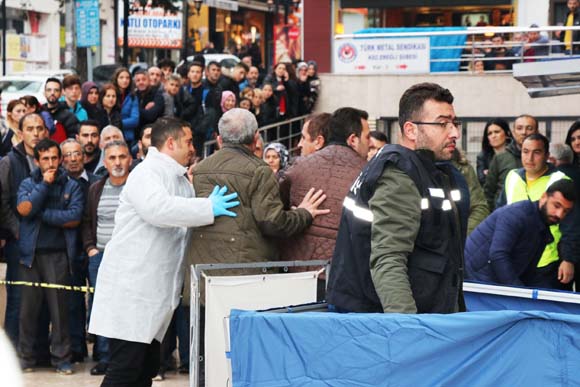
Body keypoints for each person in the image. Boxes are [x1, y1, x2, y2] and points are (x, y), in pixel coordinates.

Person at [88, 117, 240, 386]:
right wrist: (207, 207)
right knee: (125, 371)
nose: (192, 147)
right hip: (132, 293)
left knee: (145, 369)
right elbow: (158, 209)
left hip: (153, 295)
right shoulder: (146, 173)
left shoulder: (179, 178)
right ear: (171, 142)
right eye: (189, 141)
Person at [326, 82, 465, 314]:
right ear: (410, 130)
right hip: (388, 325)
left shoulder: (426, 170)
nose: (454, 133)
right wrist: (406, 329)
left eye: (454, 123)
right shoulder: (400, 174)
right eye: (442, 124)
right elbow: (388, 260)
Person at [279, 107, 368, 299]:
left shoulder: (297, 167)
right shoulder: (368, 174)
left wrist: (296, 214)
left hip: (295, 274)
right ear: (352, 139)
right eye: (367, 138)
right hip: (345, 278)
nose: (368, 144)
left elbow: (274, 214)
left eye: (303, 137)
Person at [17, 138, 84, 374]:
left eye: (55, 157)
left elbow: (74, 217)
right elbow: (24, 209)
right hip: (31, 256)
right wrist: (44, 186)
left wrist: (41, 215)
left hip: (58, 256)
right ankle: (25, 359)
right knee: (28, 312)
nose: (51, 163)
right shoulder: (28, 183)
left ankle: (62, 359)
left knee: (60, 312)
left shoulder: (71, 185)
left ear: (61, 159)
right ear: (37, 161)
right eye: (45, 158)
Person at [498, 134, 576, 289]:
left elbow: (572, 225)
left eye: (537, 152)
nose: (530, 158)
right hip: (515, 260)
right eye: (525, 151)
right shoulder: (512, 177)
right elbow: (500, 214)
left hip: (548, 262)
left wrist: (568, 260)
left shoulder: (560, 180)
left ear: (547, 155)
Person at [81, 140, 132, 376]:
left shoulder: (137, 187)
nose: (118, 162)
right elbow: (87, 222)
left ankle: (127, 358)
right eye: (112, 158)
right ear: (105, 161)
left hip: (131, 259)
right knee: (101, 308)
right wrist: (91, 248)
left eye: (122, 157)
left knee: (129, 308)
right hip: (100, 257)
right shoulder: (96, 188)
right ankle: (103, 357)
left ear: (130, 159)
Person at [465, 179, 576, 287]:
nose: (559, 214)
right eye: (556, 206)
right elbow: (498, 255)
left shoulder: (542, 226)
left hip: (485, 280)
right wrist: (518, 292)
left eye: (565, 211)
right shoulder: (517, 214)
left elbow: (526, 270)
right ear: (543, 197)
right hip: (474, 280)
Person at [0, 113, 48, 346]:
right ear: (20, 133)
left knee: (41, 297)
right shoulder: (9, 161)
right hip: (18, 241)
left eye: (40, 128)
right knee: (18, 298)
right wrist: (16, 230)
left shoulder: (49, 158)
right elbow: (3, 201)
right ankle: (12, 351)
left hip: (44, 240)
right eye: (30, 129)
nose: (36, 133)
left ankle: (36, 350)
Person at [60, 139, 98, 363]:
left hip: (94, 247)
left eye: (77, 154)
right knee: (72, 302)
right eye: (68, 155)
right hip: (69, 249)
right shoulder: (60, 184)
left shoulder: (97, 182)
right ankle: (76, 348)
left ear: (84, 157)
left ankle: (101, 350)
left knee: (98, 299)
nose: (73, 159)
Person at [484, 114, 538, 210]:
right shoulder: (500, 158)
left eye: (529, 128)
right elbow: (488, 192)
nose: (524, 132)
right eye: (519, 128)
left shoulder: (543, 159)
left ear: (536, 131)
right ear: (513, 132)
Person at [41, 78, 80, 142]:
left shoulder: (69, 117)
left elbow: (73, 140)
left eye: (56, 90)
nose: (52, 93)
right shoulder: (39, 113)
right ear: (44, 93)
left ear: (61, 93)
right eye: (49, 90)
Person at [476, 118, 513, 186]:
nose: (493, 136)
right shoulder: (483, 157)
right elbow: (483, 181)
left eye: (497, 132)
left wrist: (491, 174)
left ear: (507, 133)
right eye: (490, 133)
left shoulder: (515, 153)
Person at [112, 68, 139, 143]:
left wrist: (118, 123)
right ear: (116, 79)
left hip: (127, 137)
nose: (125, 80)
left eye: (127, 78)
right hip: (111, 135)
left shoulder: (133, 97)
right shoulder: (111, 94)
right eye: (121, 77)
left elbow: (135, 120)